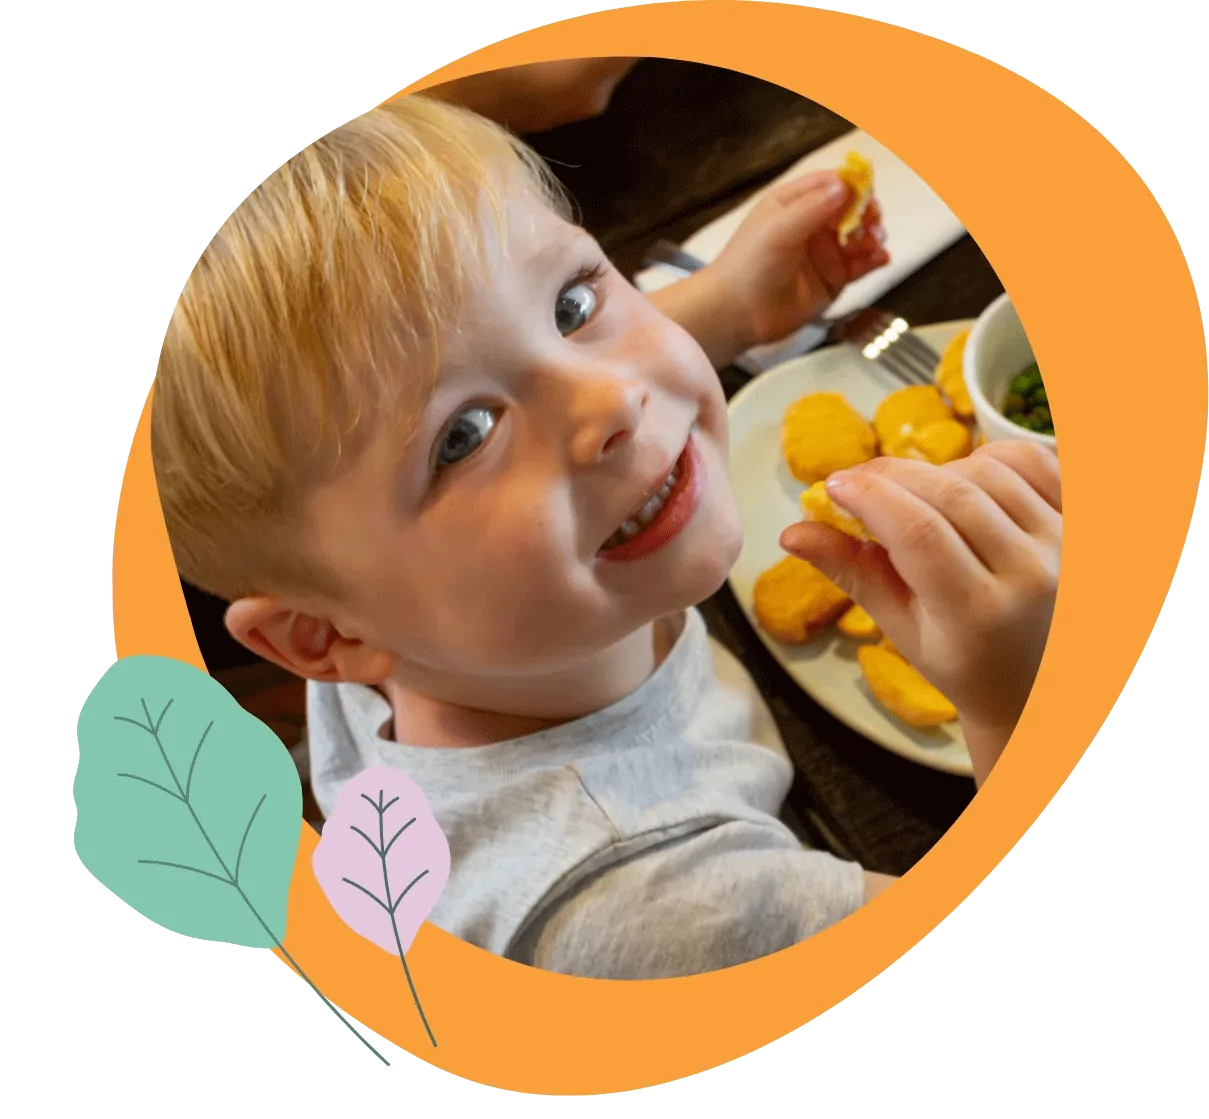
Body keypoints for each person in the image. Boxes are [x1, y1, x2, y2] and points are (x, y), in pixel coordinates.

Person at [150, 95, 1059, 979]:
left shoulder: (392, 618)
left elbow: (516, 366)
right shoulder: (655, 911)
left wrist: (728, 307)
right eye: (463, 436)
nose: (614, 400)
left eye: (573, 306)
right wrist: (1019, 708)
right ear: (327, 638)